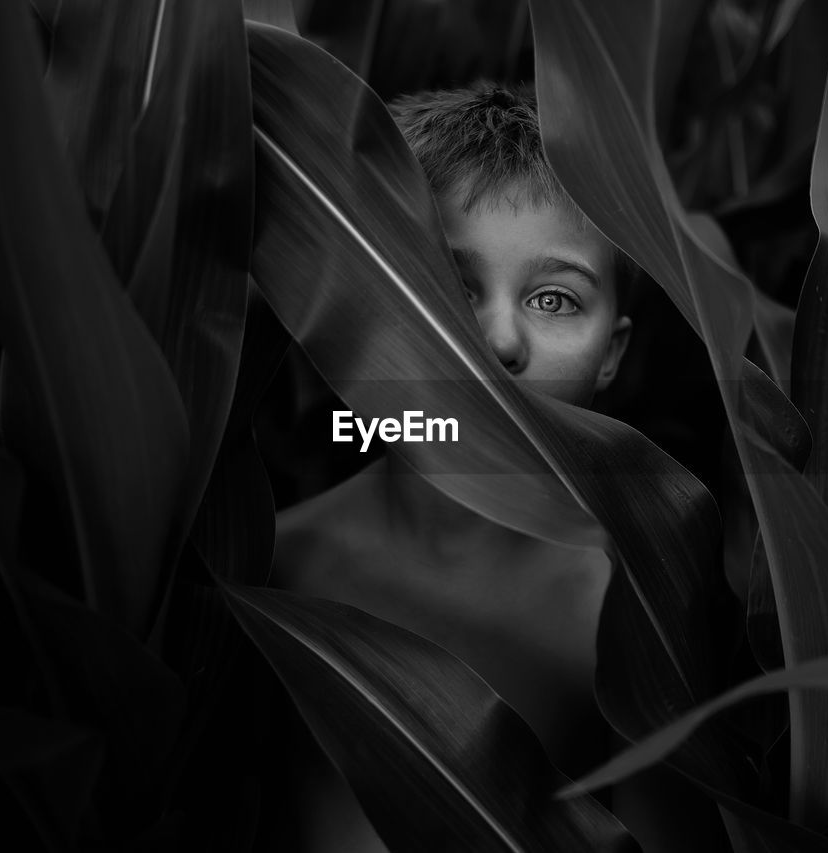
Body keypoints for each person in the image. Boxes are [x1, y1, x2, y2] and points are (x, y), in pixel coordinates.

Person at [270, 82, 706, 851]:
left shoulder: (633, 609)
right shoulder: (270, 563)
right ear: (378, 294)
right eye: (452, 284)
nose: (501, 342)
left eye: (556, 300)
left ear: (614, 353)